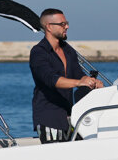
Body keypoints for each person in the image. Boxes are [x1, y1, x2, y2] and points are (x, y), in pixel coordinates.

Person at [30, 8, 104, 142]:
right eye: (62, 24)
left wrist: (91, 82)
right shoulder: (38, 52)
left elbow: (79, 75)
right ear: (49, 27)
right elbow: (51, 79)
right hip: (49, 118)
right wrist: (79, 82)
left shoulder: (68, 50)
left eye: (67, 23)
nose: (67, 27)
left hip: (70, 117)